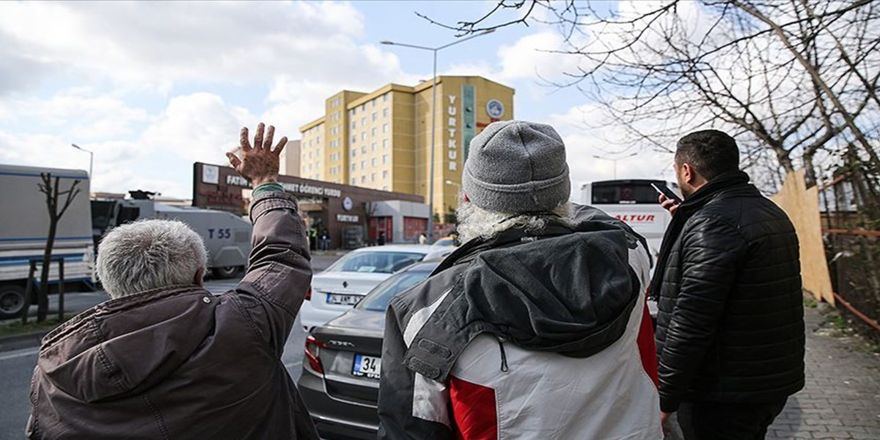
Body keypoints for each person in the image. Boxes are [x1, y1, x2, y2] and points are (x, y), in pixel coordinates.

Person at [26, 123, 319, 440]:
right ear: (198, 276)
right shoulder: (242, 325)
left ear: (110, 284)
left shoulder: (53, 370)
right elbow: (280, 256)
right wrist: (264, 182)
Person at [378, 120, 661, 439]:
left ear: (468, 198)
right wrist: (544, 195)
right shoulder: (628, 258)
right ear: (564, 194)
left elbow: (410, 430)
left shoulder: (424, 313)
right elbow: (605, 222)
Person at [652, 129, 805, 440]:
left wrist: (665, 397)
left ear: (687, 171)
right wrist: (688, 220)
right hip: (763, 381)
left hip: (723, 392)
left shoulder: (714, 223)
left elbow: (692, 320)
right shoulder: (766, 210)